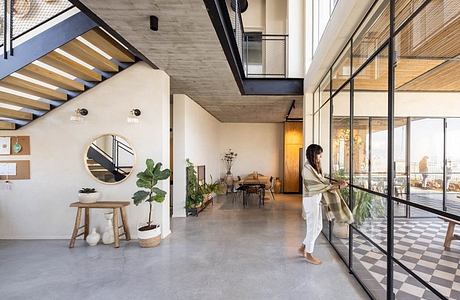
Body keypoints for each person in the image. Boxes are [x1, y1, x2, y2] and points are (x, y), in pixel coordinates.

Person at [299, 144, 353, 265]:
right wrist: (338, 186)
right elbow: (318, 186)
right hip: (310, 200)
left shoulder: (314, 168)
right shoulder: (306, 169)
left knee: (318, 227)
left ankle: (303, 247)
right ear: (313, 155)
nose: (321, 157)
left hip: (316, 200)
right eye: (319, 154)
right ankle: (308, 254)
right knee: (313, 227)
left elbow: (323, 182)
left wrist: (337, 182)